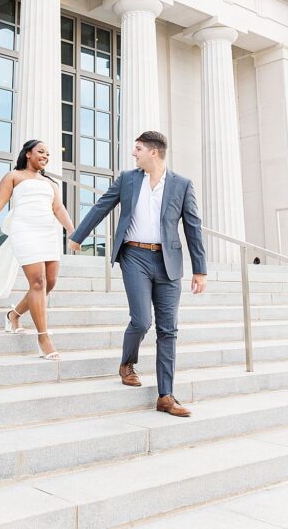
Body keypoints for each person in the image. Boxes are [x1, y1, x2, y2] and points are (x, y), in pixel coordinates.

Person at [69, 130, 207, 417]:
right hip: (134, 256)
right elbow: (102, 206)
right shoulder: (128, 179)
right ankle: (127, 363)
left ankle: (165, 396)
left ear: (153, 152)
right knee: (142, 320)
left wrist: (200, 270)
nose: (134, 154)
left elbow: (193, 227)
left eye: (138, 149)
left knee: (168, 330)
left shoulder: (182, 184)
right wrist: (78, 236)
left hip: (168, 261)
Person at [0, 140, 75, 360]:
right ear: (28, 154)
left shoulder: (50, 183)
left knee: (50, 282)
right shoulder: (14, 176)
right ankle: (43, 338)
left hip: (48, 233)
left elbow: (58, 208)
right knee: (38, 282)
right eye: (41, 151)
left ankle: (14, 315)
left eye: (48, 154)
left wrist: (72, 231)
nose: (45, 156)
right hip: (25, 231)